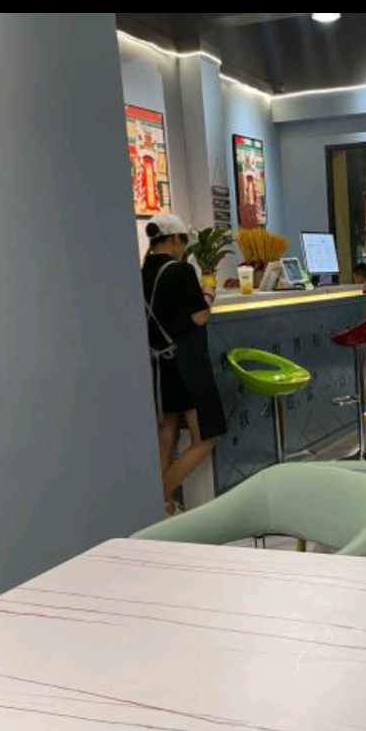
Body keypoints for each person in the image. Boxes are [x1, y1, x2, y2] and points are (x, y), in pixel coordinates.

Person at [141, 213, 227, 514]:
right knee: (205, 438)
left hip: (157, 367)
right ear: (175, 239)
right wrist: (209, 293)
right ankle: (158, 494)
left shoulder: (141, 271)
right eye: (183, 242)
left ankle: (162, 508)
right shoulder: (180, 271)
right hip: (186, 366)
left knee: (167, 435)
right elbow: (200, 316)